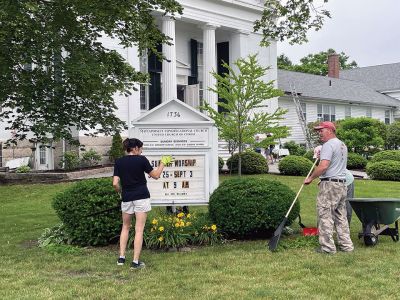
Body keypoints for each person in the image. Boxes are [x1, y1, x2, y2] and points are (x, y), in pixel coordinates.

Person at [112, 138, 172, 269]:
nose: (141, 150)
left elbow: (115, 183)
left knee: (125, 227)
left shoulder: (119, 162)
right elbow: (155, 175)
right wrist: (163, 163)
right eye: (140, 148)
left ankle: (121, 259)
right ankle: (135, 262)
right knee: (139, 230)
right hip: (141, 196)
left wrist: (120, 192)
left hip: (126, 197)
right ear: (135, 148)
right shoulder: (141, 160)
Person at [304, 121, 354, 254]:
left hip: (330, 185)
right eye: (318, 131)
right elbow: (334, 163)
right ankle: (346, 246)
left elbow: (324, 166)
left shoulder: (327, 145)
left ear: (330, 130)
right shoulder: (342, 145)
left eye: (321, 130)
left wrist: (310, 178)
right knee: (340, 216)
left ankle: (327, 248)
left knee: (325, 214)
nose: (319, 133)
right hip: (342, 185)